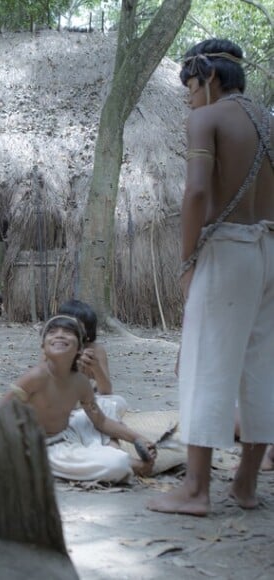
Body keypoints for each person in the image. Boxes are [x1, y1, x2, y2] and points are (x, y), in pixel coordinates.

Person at [147, 39, 274, 516]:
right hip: (269, 249)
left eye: (190, 85)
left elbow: (197, 193)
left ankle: (196, 491)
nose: (187, 96)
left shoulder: (207, 118)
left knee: (204, 364)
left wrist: (186, 261)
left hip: (228, 250)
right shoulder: (270, 122)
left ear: (212, 79)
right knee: (263, 367)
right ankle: (244, 485)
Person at [3, 315, 156, 483]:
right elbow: (0, 411)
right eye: (52, 332)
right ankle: (135, 466)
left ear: (79, 348)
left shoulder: (80, 382)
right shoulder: (36, 376)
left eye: (68, 332)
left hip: (68, 436)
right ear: (43, 346)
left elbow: (101, 421)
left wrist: (137, 438)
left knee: (108, 404)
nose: (60, 335)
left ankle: (111, 451)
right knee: (116, 464)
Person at [58, 299, 112, 396]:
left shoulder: (95, 351)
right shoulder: (52, 350)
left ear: (87, 334)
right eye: (68, 329)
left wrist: (96, 368)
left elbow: (106, 391)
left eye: (79, 330)